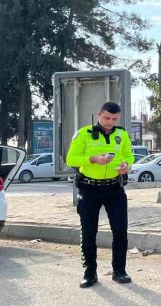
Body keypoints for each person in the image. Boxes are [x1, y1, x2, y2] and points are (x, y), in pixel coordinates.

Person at [66, 102, 134, 288]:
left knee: (120, 232)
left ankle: (119, 271)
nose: (110, 122)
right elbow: (71, 159)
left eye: (114, 119)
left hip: (115, 189)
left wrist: (126, 166)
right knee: (89, 232)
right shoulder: (84, 134)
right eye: (107, 118)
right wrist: (93, 159)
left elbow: (129, 156)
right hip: (89, 190)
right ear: (98, 115)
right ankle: (90, 272)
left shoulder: (122, 134)